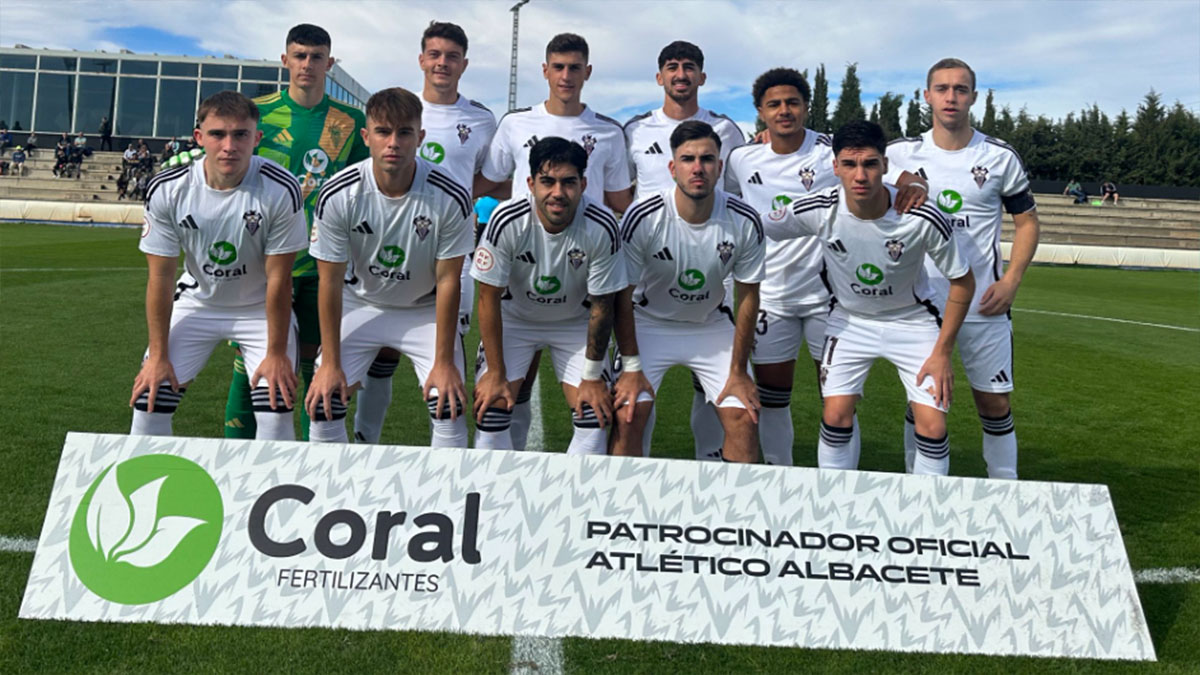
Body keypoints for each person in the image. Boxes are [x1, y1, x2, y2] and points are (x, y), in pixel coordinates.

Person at [764, 120, 975, 475]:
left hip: (912, 321)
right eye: (849, 164)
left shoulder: (921, 215)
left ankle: (929, 514)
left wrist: (942, 352)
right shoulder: (819, 207)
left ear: (886, 166)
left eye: (870, 164)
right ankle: (834, 504)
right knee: (835, 414)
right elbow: (753, 227)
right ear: (835, 168)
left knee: (933, 425)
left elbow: (963, 282)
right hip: (850, 321)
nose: (859, 175)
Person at [477, 32, 634, 451]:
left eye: (574, 67)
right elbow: (487, 182)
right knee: (497, 404)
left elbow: (623, 199)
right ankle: (494, 500)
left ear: (587, 72)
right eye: (558, 67)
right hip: (519, 287)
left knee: (595, 414)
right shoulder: (514, 124)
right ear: (544, 71)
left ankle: (575, 510)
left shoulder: (609, 132)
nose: (566, 75)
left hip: (580, 288)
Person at [885, 58, 1040, 479]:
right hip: (921, 306)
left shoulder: (999, 156)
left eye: (960, 89)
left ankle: (1004, 489)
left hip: (984, 304)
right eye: (942, 88)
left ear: (973, 96)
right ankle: (918, 491)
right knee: (924, 404)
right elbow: (843, 160)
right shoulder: (899, 154)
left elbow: (1027, 221)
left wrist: (1012, 280)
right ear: (926, 95)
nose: (950, 97)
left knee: (994, 403)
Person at [352, 20, 498, 445]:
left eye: (452, 56)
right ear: (421, 59)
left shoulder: (482, 119)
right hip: (392, 247)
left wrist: (459, 199)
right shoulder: (398, 109)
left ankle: (445, 461)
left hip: (452, 251)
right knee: (381, 355)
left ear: (464, 64)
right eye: (434, 54)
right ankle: (366, 442)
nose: (442, 63)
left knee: (444, 356)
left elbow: (493, 178)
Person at [130, 91, 307, 439]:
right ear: (199, 138)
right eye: (217, 134)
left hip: (259, 309)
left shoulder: (280, 187)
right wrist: (158, 356)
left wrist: (275, 353)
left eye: (240, 135)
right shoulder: (168, 188)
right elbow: (162, 279)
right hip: (199, 303)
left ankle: (273, 492)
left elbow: (279, 279)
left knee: (275, 407)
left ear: (256, 138)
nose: (229, 145)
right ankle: (148, 490)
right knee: (150, 401)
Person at [223, 23, 370, 441]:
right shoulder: (255, 114)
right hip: (264, 262)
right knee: (254, 365)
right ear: (285, 60)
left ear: (330, 63)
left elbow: (364, 185)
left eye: (317, 57)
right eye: (300, 56)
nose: (308, 64)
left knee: (317, 367)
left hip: (326, 263)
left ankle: (311, 463)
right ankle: (237, 456)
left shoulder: (351, 121)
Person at [305, 87, 472, 447]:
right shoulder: (339, 193)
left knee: (448, 404)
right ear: (366, 137)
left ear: (420, 138)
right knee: (324, 402)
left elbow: (448, 281)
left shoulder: (450, 194)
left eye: (404, 132)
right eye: (383, 132)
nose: (393, 142)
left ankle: (448, 499)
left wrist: (444, 362)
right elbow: (330, 282)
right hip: (361, 301)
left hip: (424, 309)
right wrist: (330, 362)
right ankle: (330, 494)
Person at [621, 40, 748, 462]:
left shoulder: (728, 130)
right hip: (651, 278)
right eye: (672, 67)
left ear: (702, 77)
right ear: (660, 77)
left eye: (689, 67)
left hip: (708, 279)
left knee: (731, 407)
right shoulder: (634, 130)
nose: (681, 74)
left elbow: (734, 193)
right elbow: (621, 195)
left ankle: (716, 480)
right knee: (630, 410)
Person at [610, 120, 764, 463]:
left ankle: (735, 512)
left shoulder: (744, 218)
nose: (698, 168)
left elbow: (748, 297)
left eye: (707, 159)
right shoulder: (643, 216)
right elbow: (622, 295)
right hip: (648, 323)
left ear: (720, 167)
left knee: (745, 415)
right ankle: (619, 504)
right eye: (688, 159)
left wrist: (738, 371)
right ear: (672, 168)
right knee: (628, 412)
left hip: (709, 325)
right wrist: (631, 367)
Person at [471, 137, 624, 453]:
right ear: (530, 183)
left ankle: (573, 501)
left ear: (583, 184)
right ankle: (494, 498)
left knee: (593, 417)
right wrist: (495, 373)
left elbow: (602, 306)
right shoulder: (505, 220)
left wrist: (593, 377)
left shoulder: (602, 224)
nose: (558, 192)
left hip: (574, 326)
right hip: (515, 321)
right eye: (547, 182)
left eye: (568, 182)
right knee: (492, 409)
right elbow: (487, 297)